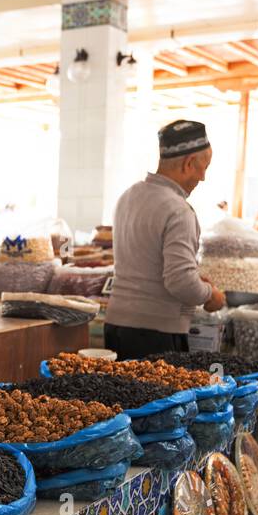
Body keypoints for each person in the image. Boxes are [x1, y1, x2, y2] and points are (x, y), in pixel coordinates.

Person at [105, 119, 225, 359]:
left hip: (115, 326)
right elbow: (180, 283)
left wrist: (193, 276)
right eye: (205, 167)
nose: (202, 178)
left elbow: (146, 263)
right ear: (189, 163)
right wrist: (211, 294)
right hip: (155, 336)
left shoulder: (128, 196)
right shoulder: (178, 209)